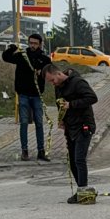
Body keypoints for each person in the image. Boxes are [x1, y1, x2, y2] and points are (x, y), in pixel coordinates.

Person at [42, 64, 98, 204]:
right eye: (50, 82)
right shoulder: (58, 88)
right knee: (72, 161)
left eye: (52, 80)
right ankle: (82, 191)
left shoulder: (78, 82)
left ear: (58, 74)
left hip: (84, 125)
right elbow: (59, 104)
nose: (52, 83)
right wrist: (61, 120)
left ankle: (84, 192)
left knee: (79, 159)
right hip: (70, 127)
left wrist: (72, 104)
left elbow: (92, 98)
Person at [2, 33, 52, 161]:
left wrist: (42, 73)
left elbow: (50, 74)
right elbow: (6, 58)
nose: (32, 45)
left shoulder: (45, 59)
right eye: (31, 43)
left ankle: (41, 151)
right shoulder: (22, 56)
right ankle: (25, 151)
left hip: (37, 95)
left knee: (39, 123)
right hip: (23, 94)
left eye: (35, 43)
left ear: (40, 44)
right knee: (24, 123)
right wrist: (12, 48)